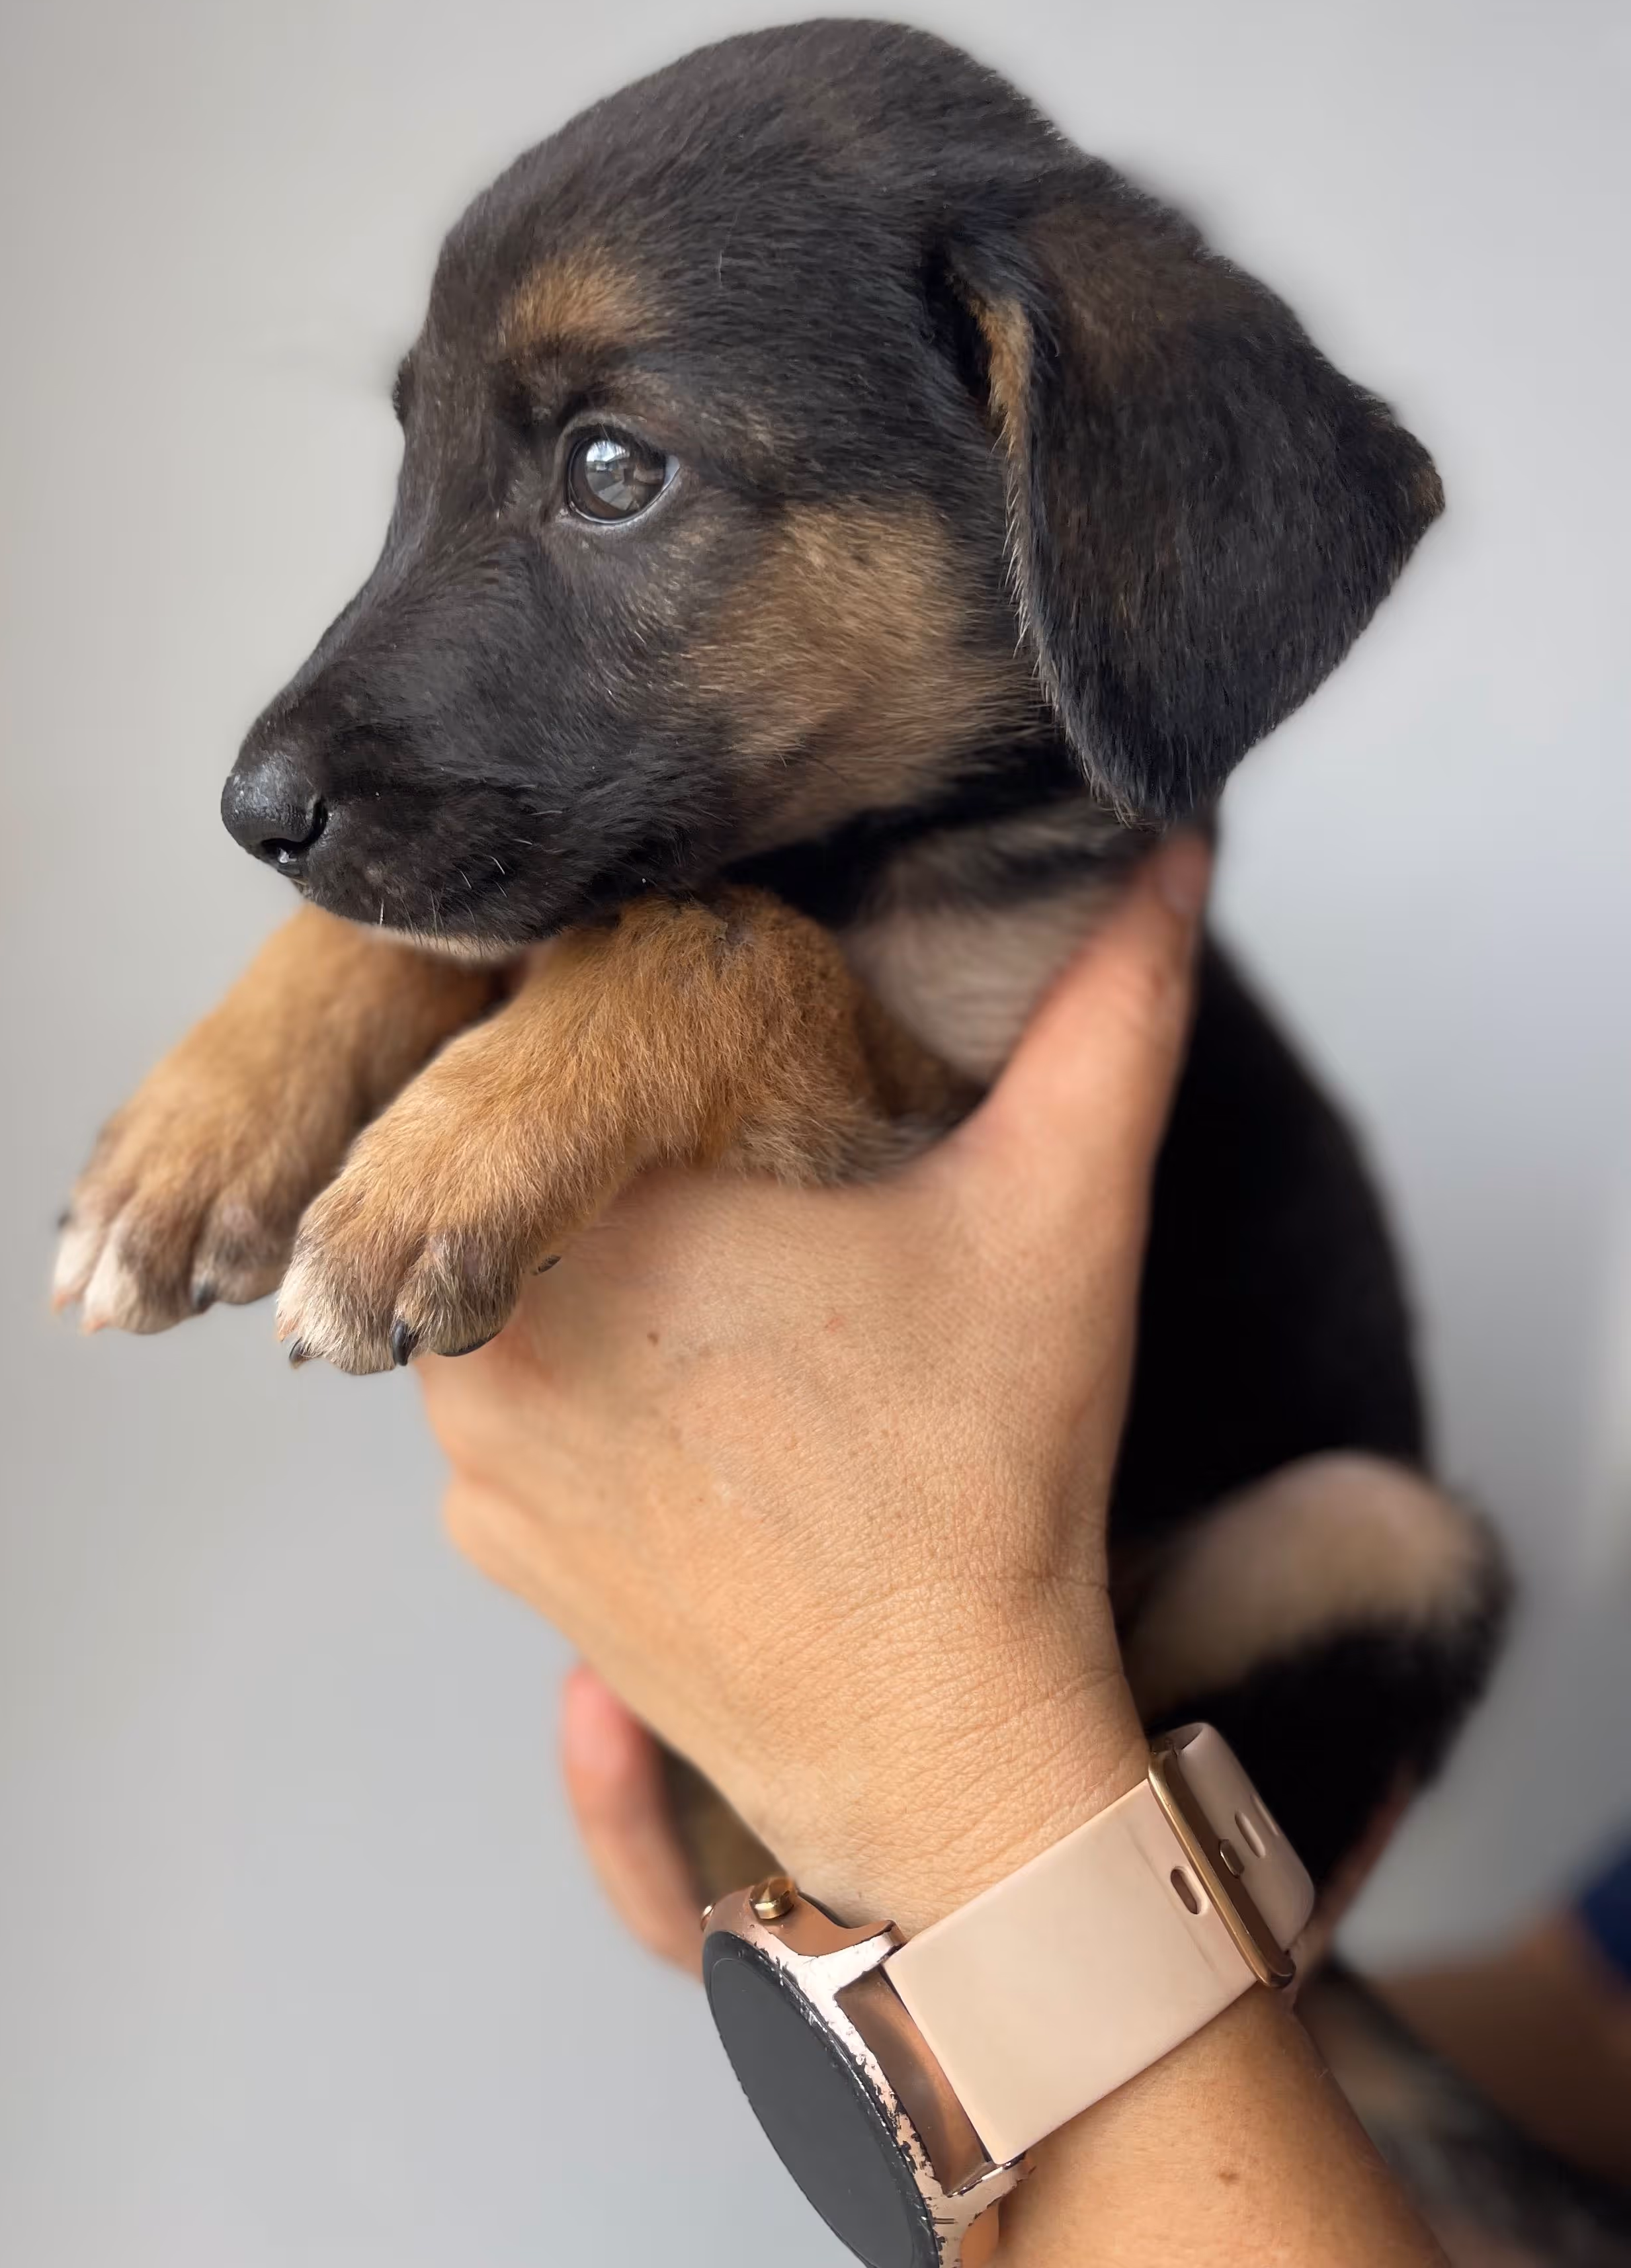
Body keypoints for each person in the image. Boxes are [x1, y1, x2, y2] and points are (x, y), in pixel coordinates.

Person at [417, 838, 1450, 2265]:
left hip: (1190, 1651)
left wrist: (934, 1839)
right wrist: (872, 2001)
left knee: (1402, 1564)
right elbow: (1545, 2060)